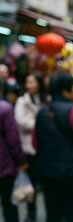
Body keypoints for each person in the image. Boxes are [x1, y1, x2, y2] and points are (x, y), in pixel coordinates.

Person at [34, 72, 73, 222]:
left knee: (53, 214)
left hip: (47, 174)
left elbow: (35, 143)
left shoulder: (41, 112)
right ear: (64, 90)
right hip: (71, 173)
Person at [14, 73, 46, 222]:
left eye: (32, 81)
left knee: (44, 181)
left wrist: (35, 119)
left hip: (43, 145)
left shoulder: (44, 99)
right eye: (27, 82)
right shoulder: (22, 101)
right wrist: (38, 122)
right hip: (28, 147)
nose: (29, 85)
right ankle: (31, 213)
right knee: (31, 181)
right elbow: (20, 121)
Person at [0, 78, 28, 222]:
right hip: (3, 165)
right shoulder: (4, 108)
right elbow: (13, 139)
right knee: (9, 204)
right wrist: (21, 161)